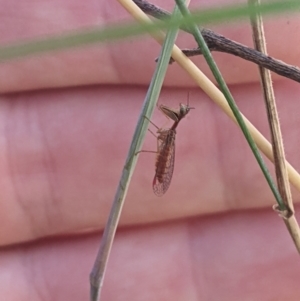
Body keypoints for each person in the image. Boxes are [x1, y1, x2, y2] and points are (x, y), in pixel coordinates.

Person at [1, 0, 300, 300]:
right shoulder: (172, 126)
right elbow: (163, 129)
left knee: (160, 149)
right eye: (181, 111)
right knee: (160, 137)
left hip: (162, 153)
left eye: (181, 111)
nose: (180, 111)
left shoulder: (171, 132)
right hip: (166, 138)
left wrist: (154, 116)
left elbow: (162, 139)